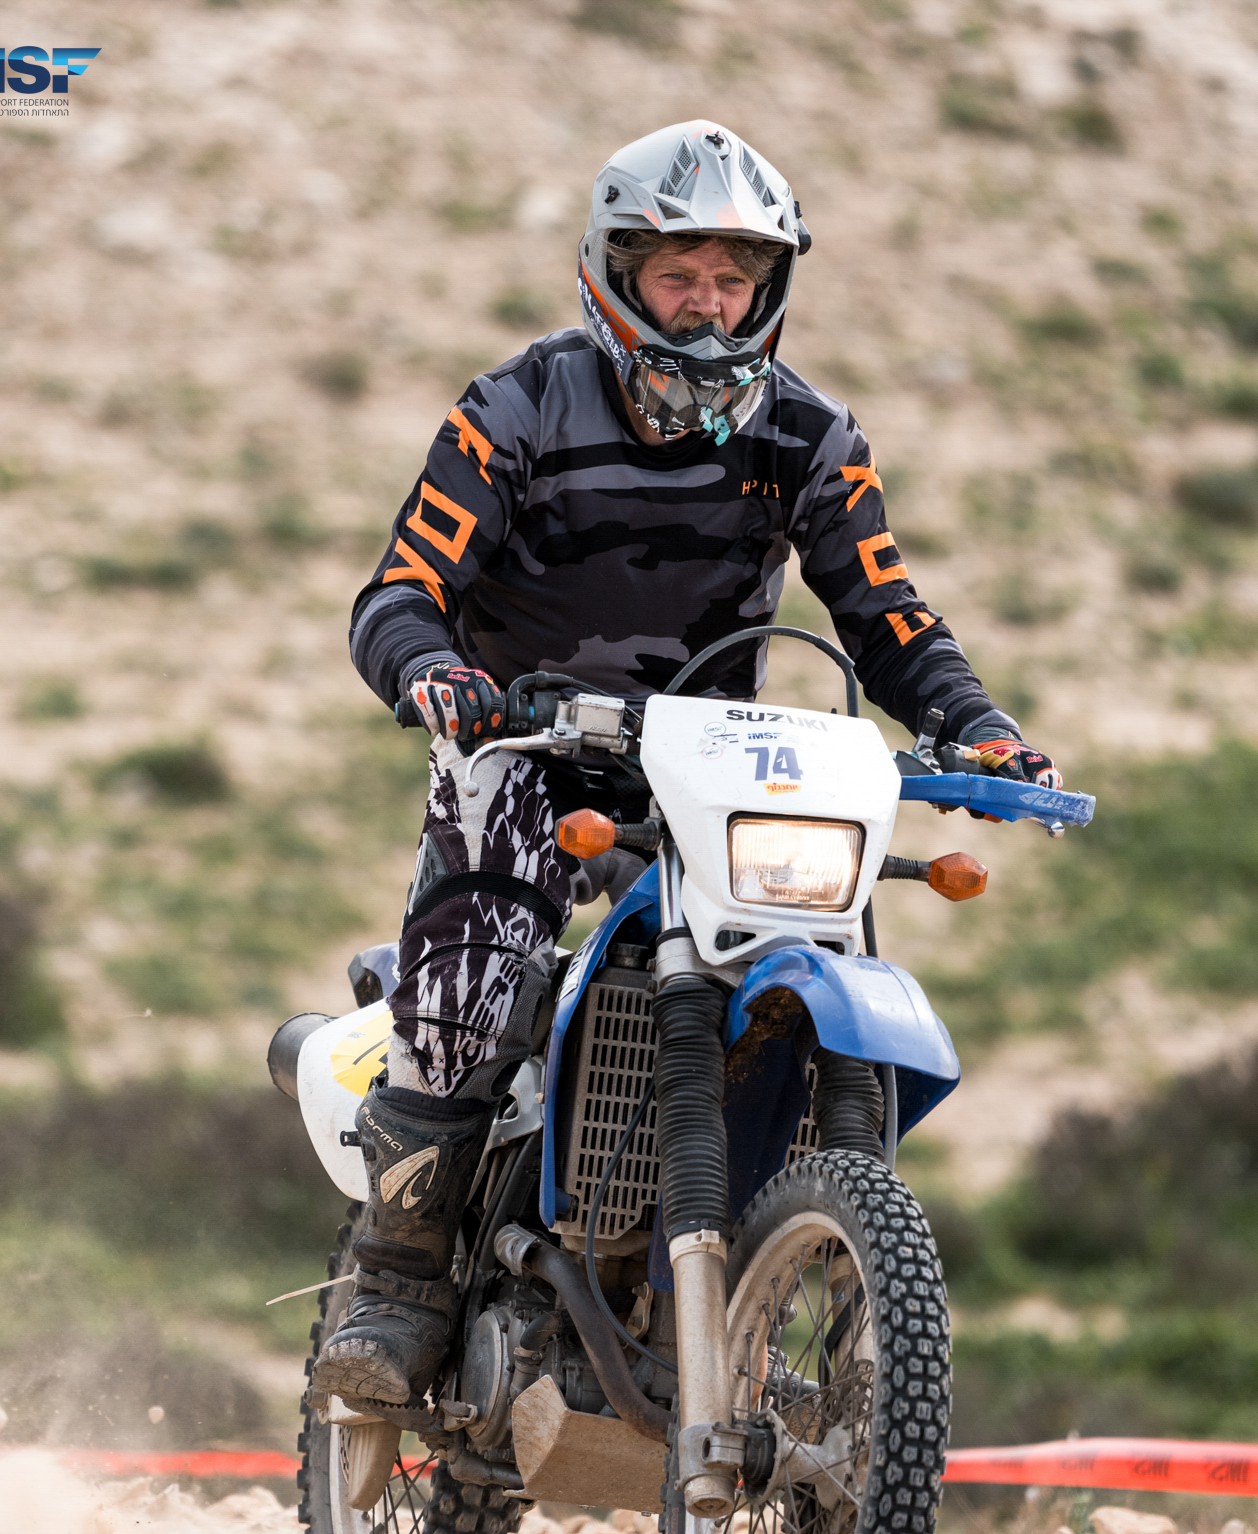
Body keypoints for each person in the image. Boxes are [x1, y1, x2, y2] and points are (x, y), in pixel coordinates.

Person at [316, 118, 1061, 1415]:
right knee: (477, 975)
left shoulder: (811, 435)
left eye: (733, 278)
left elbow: (886, 618)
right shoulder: (513, 410)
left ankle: (780, 1267)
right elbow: (399, 592)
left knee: (804, 955)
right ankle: (399, 1278)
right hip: (523, 745)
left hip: (708, 769)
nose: (708, 305)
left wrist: (981, 728)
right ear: (617, 274)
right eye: (679, 276)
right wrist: (435, 674)